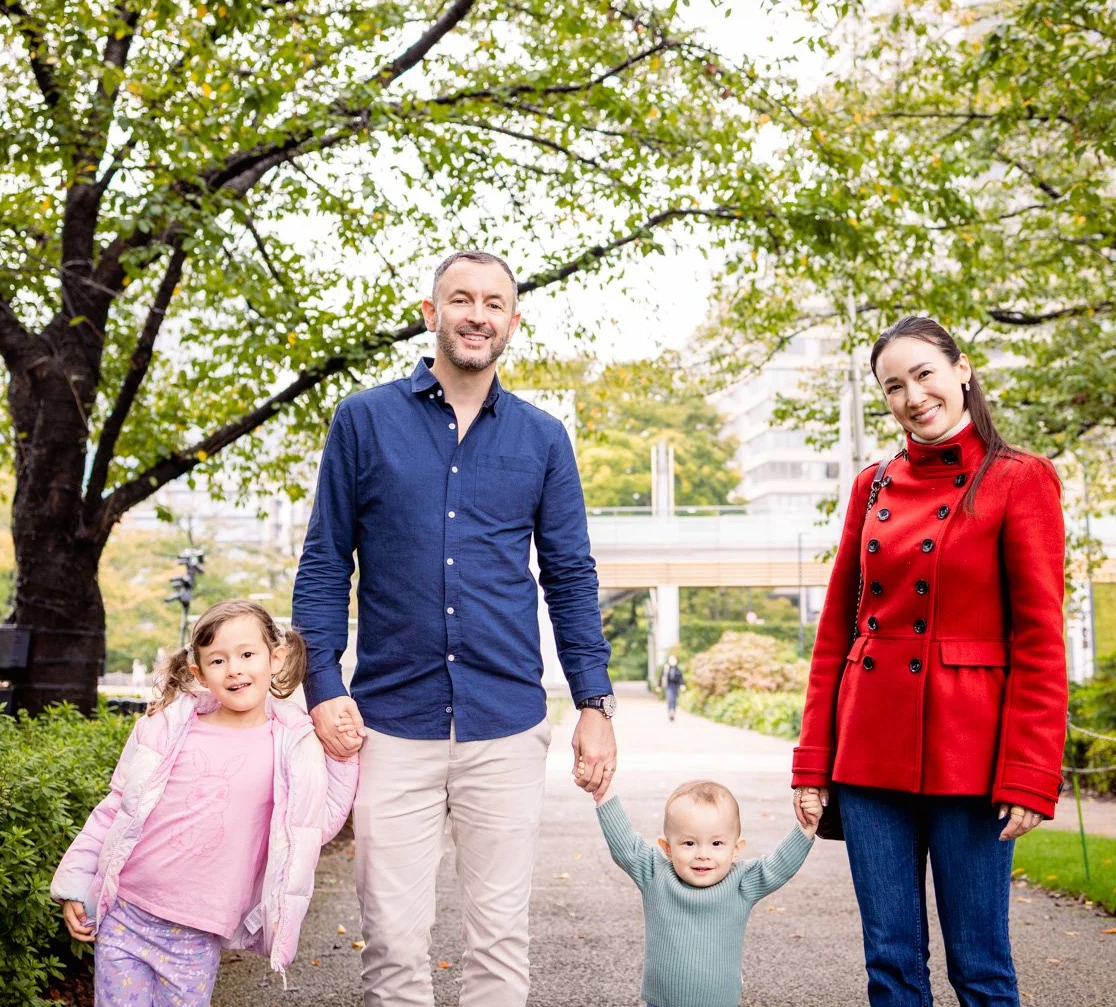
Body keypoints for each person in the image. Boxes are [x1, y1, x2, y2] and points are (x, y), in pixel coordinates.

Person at [293, 249, 618, 1006]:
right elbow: (322, 564)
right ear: (431, 314)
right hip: (390, 724)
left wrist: (594, 705)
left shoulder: (543, 438)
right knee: (393, 945)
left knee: (500, 944)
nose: (478, 314)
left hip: (504, 723)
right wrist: (321, 683)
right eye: (461, 299)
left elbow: (570, 576)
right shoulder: (363, 419)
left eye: (494, 302)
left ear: (512, 320)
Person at [792, 315, 1068, 1007]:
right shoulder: (872, 485)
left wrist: (1031, 770)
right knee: (890, 964)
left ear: (961, 370)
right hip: (867, 754)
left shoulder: (1019, 478)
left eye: (924, 374)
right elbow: (836, 633)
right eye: (893, 386)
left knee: (979, 966)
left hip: (969, 757)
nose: (913, 396)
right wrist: (811, 762)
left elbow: (1040, 640)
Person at [52, 600, 359, 1004]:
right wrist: (77, 884)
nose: (234, 669)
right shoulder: (167, 727)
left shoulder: (291, 743)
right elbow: (117, 808)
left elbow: (316, 823)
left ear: (276, 657)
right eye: (218, 660)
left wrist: (341, 756)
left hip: (197, 932)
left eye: (247, 654)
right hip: (126, 913)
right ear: (198, 671)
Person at [593, 775, 821, 1007]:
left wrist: (805, 828)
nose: (703, 854)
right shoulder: (654, 874)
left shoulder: (741, 883)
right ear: (668, 848)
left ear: (736, 849)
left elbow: (779, 866)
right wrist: (603, 793)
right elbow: (625, 845)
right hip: (662, 1002)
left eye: (716, 844)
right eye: (689, 843)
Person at [660, 654, 685, 721]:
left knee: (674, 700)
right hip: (669, 686)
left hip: (675, 686)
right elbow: (661, 677)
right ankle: (670, 711)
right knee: (670, 699)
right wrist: (658, 686)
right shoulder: (666, 668)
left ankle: (673, 711)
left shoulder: (677, 669)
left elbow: (680, 678)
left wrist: (682, 685)